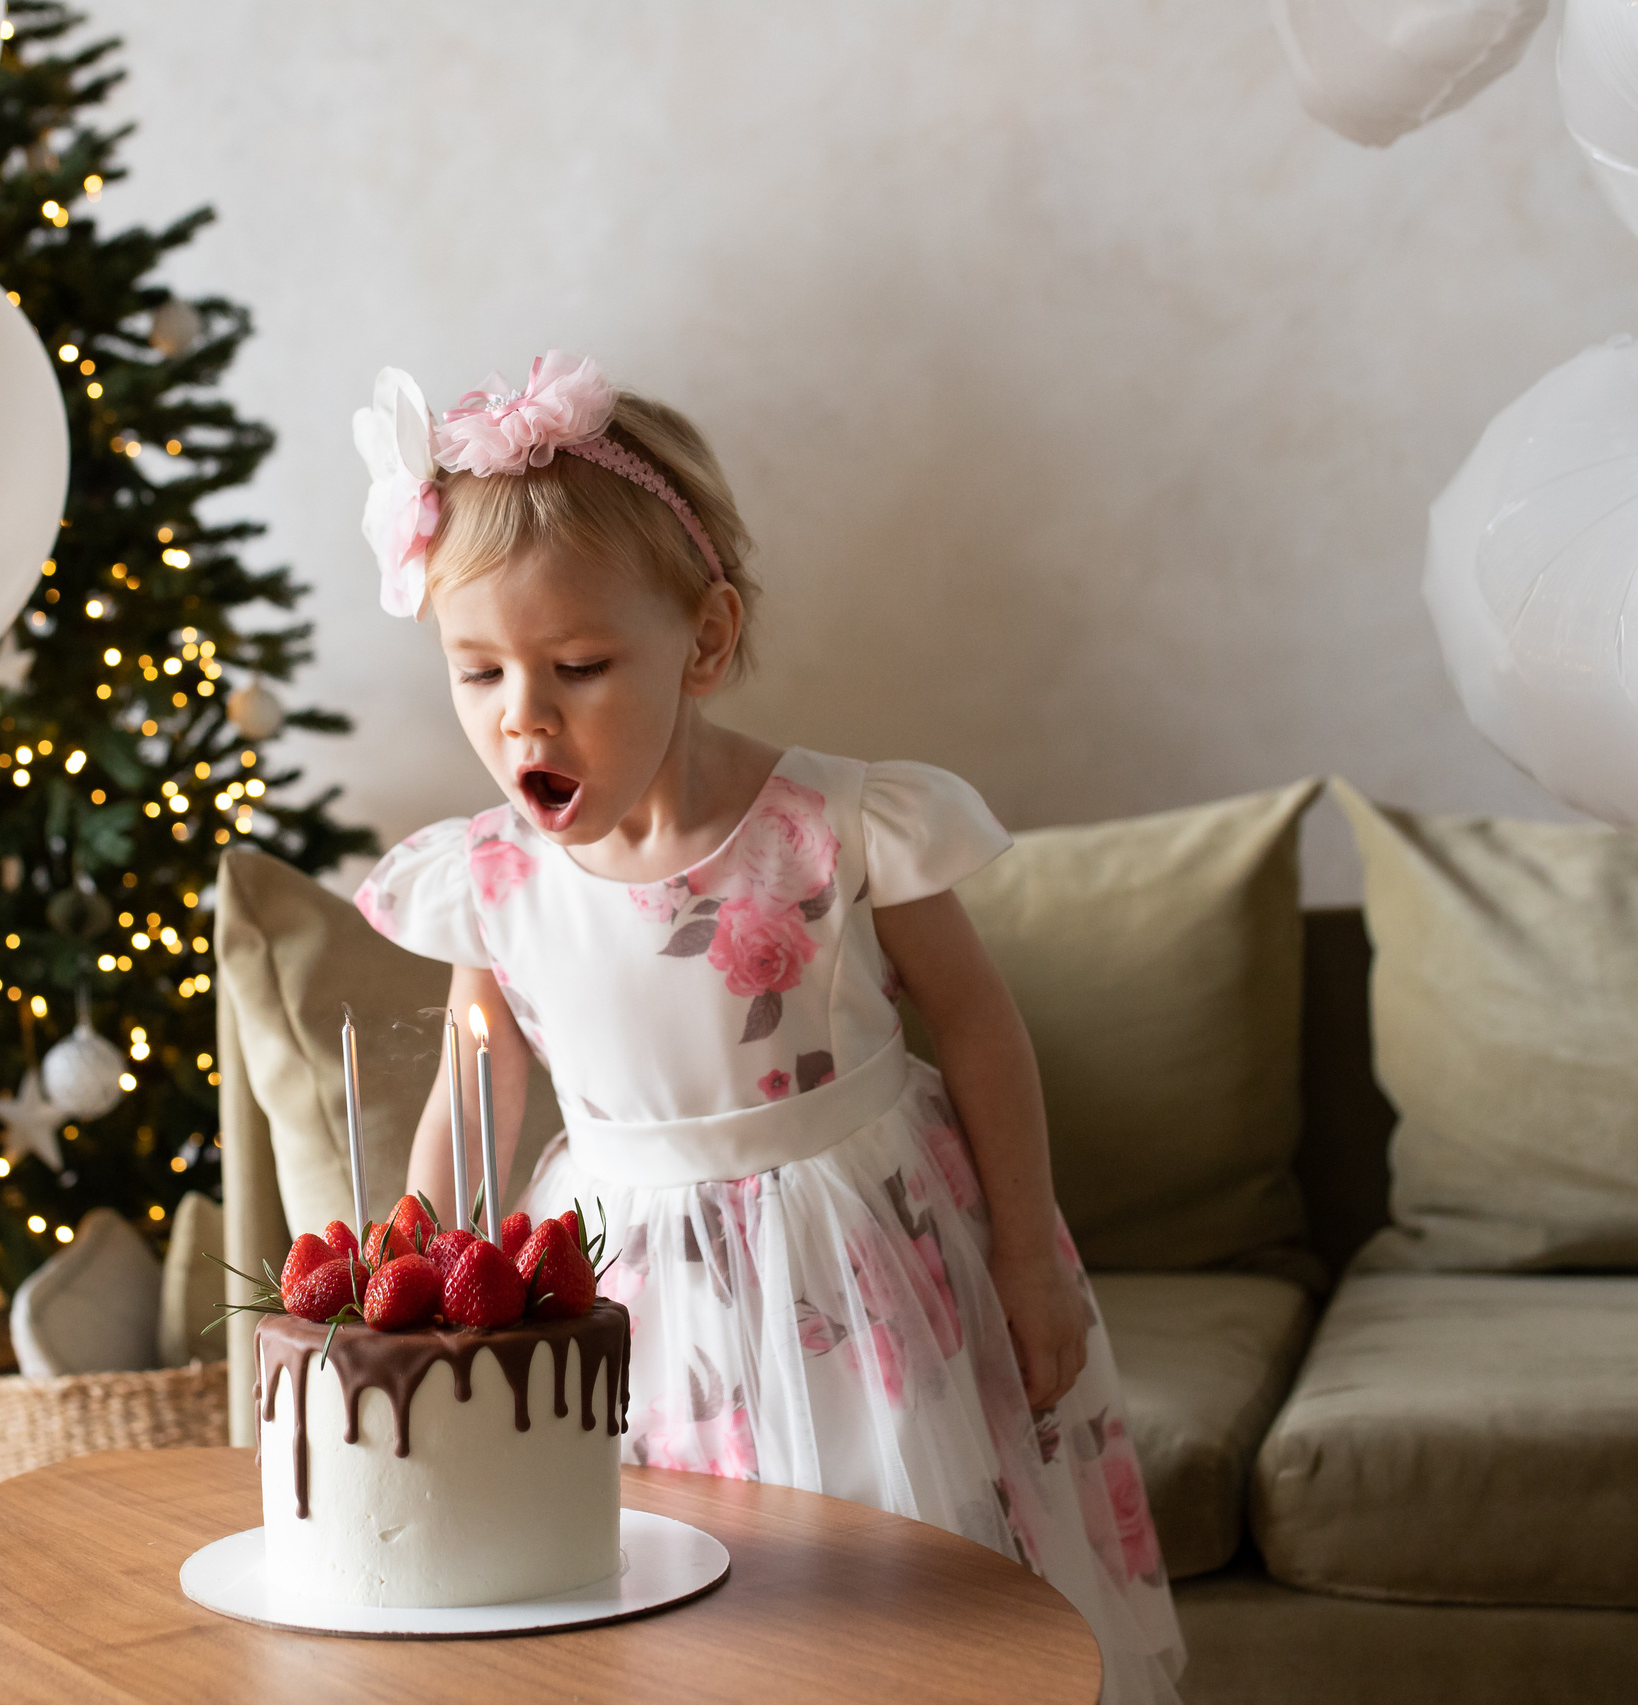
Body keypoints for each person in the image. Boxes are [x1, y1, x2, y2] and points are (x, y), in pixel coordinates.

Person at [349, 352, 1184, 1703]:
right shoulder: (491, 879)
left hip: (858, 1260)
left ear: (710, 639)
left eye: (577, 664)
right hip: (626, 1285)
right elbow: (480, 1083)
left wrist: (1028, 1258)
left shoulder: (841, 825)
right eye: (477, 672)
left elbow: (978, 1031)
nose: (523, 718)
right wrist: (412, 1275)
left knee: (893, 1594)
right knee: (683, 1610)